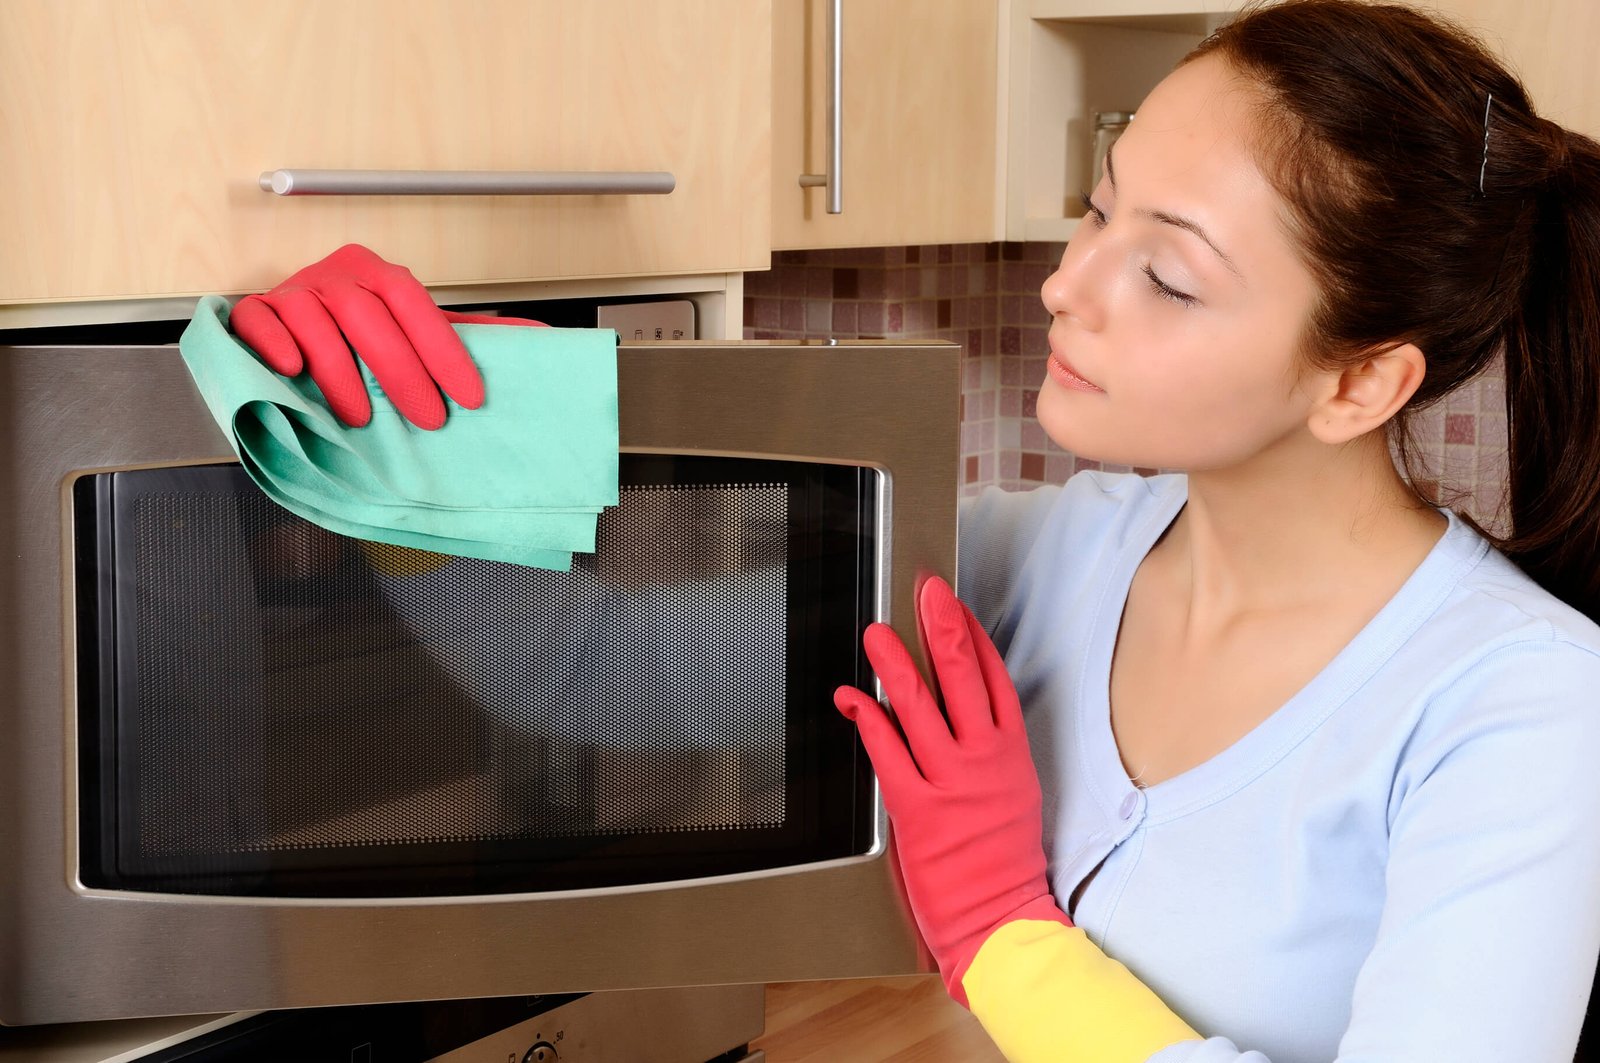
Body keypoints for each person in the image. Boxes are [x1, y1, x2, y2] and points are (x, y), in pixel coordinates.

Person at [228, 2, 1600, 1058]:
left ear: (1363, 380)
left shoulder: (1520, 704)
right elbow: (600, 675)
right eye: (1100, 209)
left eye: (1168, 275)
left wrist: (1006, 933)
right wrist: (435, 443)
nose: (1071, 286)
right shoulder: (1047, 562)